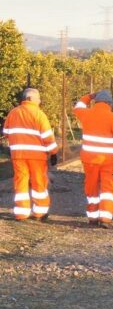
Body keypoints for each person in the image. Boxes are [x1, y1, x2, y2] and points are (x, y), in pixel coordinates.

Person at [73, 90, 113, 228]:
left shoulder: (86, 114)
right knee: (108, 187)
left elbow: (77, 107)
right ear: (110, 103)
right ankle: (105, 218)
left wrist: (89, 96)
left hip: (89, 160)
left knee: (91, 187)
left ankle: (92, 218)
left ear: (96, 102)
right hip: (107, 161)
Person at [2, 88, 58, 221]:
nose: (40, 101)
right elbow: (47, 137)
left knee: (20, 182)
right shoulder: (39, 114)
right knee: (39, 182)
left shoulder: (13, 113)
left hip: (18, 155)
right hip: (37, 156)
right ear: (31, 98)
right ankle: (40, 212)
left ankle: (21, 213)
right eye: (38, 98)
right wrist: (53, 153)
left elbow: (6, 132)